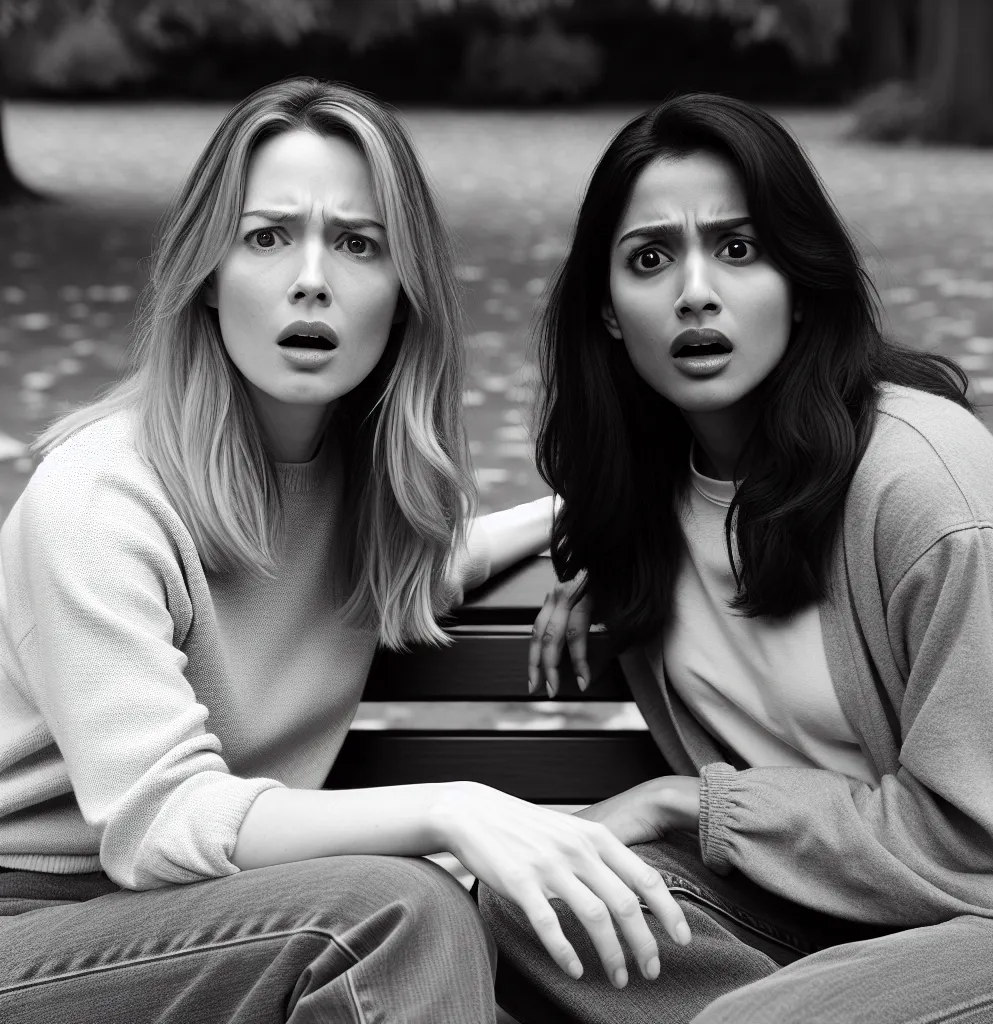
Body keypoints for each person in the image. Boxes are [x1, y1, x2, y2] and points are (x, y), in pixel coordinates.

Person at [0, 77, 690, 1023]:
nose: (312, 277)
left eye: (358, 244)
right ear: (206, 278)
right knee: (397, 911)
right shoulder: (100, 498)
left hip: (210, 920)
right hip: (34, 930)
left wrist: (588, 515)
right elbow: (159, 821)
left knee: (430, 914)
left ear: (404, 298)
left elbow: (415, 573)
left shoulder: (355, 485)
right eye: (267, 236)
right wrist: (450, 807)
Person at [480, 93, 993, 1023]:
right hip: (816, 923)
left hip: (991, 921)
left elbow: (987, 848)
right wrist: (582, 540)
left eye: (739, 249)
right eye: (650, 260)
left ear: (802, 283)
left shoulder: (926, 491)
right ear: (609, 313)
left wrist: (687, 803)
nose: (696, 291)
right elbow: (382, 577)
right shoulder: (650, 499)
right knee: (545, 904)